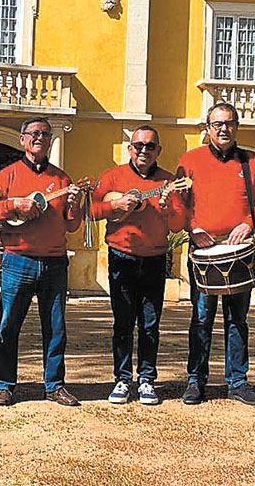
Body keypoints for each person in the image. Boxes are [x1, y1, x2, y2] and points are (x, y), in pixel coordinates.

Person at [176, 102, 255, 406]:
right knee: (201, 319)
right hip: (204, 252)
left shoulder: (252, 161)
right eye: (217, 123)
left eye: (229, 123)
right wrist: (193, 228)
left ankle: (238, 381)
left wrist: (249, 223)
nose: (223, 129)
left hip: (238, 253)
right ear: (207, 128)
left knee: (237, 320)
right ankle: (195, 380)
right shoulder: (190, 160)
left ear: (237, 127)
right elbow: (179, 201)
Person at [0, 117, 84, 406]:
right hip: (18, 261)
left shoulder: (62, 179)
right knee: (8, 326)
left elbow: (71, 225)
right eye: (34, 133)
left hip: (54, 262)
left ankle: (54, 385)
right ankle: (4, 385)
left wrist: (74, 205)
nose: (40, 138)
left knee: (56, 328)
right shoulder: (6, 176)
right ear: (22, 139)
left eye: (45, 134)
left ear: (51, 141)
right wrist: (13, 205)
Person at [91, 126, 186, 405]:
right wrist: (116, 205)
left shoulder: (170, 181)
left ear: (159, 150)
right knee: (123, 322)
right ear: (130, 148)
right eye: (139, 145)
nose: (144, 150)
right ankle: (122, 379)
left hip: (155, 258)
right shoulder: (112, 176)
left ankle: (146, 380)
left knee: (150, 323)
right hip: (121, 257)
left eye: (150, 146)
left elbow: (178, 225)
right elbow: (91, 211)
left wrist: (167, 207)